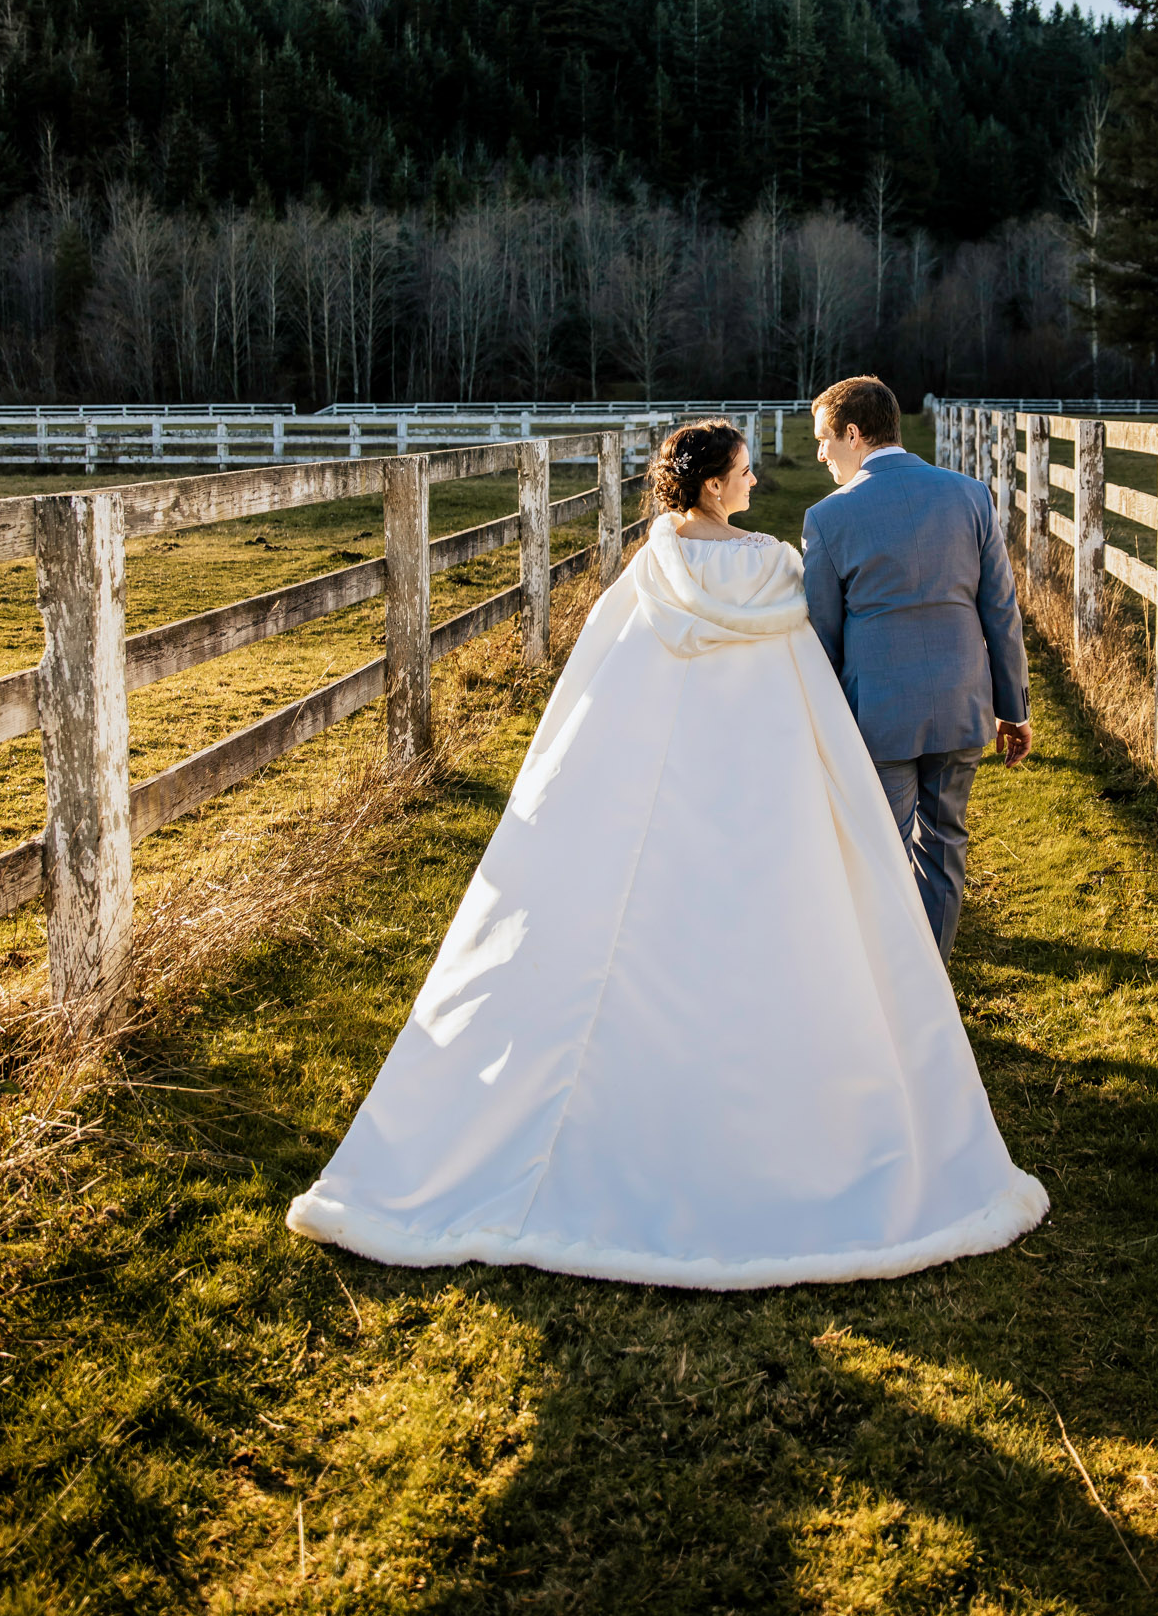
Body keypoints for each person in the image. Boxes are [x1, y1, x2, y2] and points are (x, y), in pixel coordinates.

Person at [287, 418, 1047, 1286]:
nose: (758, 483)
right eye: (747, 472)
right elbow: (808, 665)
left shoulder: (648, 572)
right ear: (716, 486)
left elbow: (601, 684)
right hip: (763, 788)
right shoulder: (771, 569)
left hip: (660, 787)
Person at [802, 376, 1030, 963]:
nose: (820, 452)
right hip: (962, 707)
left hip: (878, 716)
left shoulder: (828, 520)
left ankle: (889, 989)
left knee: (880, 852)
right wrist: (1014, 710)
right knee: (945, 844)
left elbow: (823, 639)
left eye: (825, 438)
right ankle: (932, 978)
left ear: (853, 433)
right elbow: (1000, 611)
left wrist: (819, 724)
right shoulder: (970, 495)